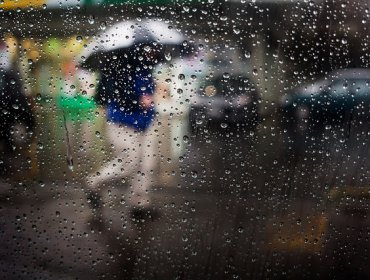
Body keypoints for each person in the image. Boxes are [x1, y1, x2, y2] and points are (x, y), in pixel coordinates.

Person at [84, 49, 158, 221]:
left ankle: (140, 204)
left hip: (146, 123)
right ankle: (94, 183)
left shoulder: (147, 69)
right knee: (129, 163)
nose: (154, 53)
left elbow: (148, 93)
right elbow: (106, 96)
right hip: (122, 123)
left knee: (146, 163)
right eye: (150, 49)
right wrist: (138, 98)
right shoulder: (120, 67)